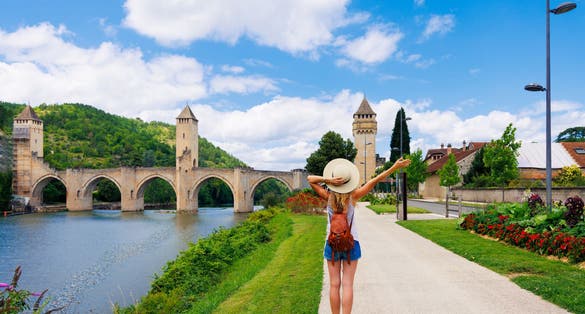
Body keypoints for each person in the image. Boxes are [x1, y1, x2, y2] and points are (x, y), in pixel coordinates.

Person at [308, 157, 411, 314]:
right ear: (349, 181)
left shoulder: (327, 196)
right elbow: (376, 179)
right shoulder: (354, 196)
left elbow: (310, 179)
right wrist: (395, 167)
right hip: (351, 243)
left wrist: (328, 180)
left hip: (332, 244)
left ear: (334, 179)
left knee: (334, 285)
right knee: (348, 284)